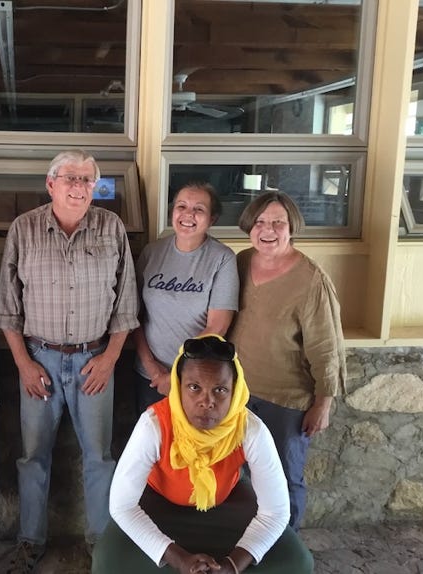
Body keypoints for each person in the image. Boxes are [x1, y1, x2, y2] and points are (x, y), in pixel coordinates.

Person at [0, 149, 139, 572]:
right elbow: (7, 308)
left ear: (95, 186)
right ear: (50, 184)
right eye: (69, 178)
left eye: (86, 180)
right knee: (33, 456)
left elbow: (126, 304)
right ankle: (30, 541)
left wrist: (110, 358)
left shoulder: (111, 228)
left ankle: (101, 544)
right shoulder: (24, 229)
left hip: (95, 361)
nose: (78, 187)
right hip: (38, 359)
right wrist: (23, 364)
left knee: (99, 457)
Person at [92, 335, 313, 574]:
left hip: (226, 503)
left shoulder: (249, 429)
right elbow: (123, 507)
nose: (207, 402)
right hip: (158, 504)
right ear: (178, 387)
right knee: (107, 560)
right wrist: (179, 559)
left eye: (220, 390)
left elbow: (275, 512)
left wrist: (232, 565)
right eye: (194, 387)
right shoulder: (154, 424)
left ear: (235, 392)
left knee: (298, 561)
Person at [228, 191, 346, 530]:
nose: (268, 230)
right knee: (240, 478)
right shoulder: (241, 262)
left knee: (282, 479)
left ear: (292, 227)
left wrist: (323, 403)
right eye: (260, 222)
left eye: (278, 222)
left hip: (285, 402)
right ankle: (246, 543)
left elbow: (326, 347)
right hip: (237, 394)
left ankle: (284, 546)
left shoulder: (311, 280)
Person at [133, 182, 238, 414]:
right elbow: (135, 316)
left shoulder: (223, 259)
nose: (188, 214)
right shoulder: (152, 252)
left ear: (212, 219)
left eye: (199, 209)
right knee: (152, 435)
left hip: (195, 379)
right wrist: (152, 368)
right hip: (149, 375)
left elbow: (217, 327)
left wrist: (176, 375)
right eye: (181, 206)